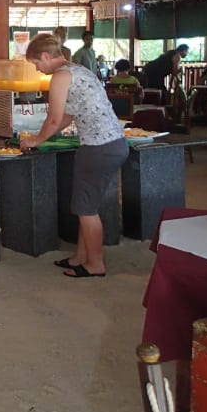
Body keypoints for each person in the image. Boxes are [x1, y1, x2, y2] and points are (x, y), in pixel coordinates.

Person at [20, 33, 128, 278]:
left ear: (46, 56)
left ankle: (95, 264)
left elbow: (55, 118)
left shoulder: (60, 76)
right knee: (85, 205)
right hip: (114, 144)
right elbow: (67, 116)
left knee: (87, 210)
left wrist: (35, 140)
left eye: (37, 63)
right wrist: (42, 135)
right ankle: (81, 257)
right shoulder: (79, 70)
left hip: (98, 147)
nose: (37, 69)